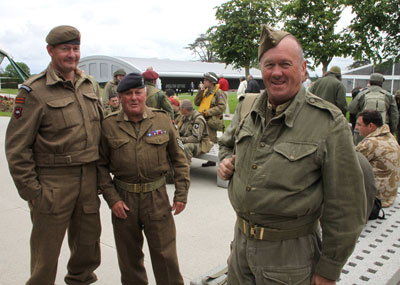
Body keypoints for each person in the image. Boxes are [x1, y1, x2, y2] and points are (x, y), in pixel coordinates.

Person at [218, 25, 366, 284]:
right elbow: (227, 145)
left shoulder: (328, 122)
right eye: (269, 65)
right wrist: (224, 163)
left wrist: (329, 270)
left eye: (285, 64)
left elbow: (346, 207)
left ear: (303, 67)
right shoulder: (248, 108)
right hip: (240, 247)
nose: (276, 73)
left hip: (290, 257)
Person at [5, 25, 102, 285]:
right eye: (65, 49)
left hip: (88, 180)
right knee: (44, 260)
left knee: (87, 251)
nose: (72, 55)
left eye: (76, 48)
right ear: (50, 51)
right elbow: (17, 147)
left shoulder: (89, 85)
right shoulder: (34, 91)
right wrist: (32, 192)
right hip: (53, 182)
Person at [96, 73, 190, 285]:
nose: (133, 98)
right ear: (119, 97)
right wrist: (112, 199)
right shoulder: (109, 125)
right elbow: (100, 166)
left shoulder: (162, 120)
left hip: (156, 199)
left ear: (145, 94)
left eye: (138, 92)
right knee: (129, 259)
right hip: (124, 201)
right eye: (127, 93)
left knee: (165, 257)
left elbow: (180, 159)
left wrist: (181, 194)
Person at [355, 110, 400, 208]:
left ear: (371, 126)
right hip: (389, 195)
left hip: (376, 198)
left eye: (359, 124)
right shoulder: (389, 136)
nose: (356, 128)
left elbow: (348, 163)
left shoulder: (370, 143)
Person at [349, 73, 399, 145]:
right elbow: (394, 116)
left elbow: (352, 109)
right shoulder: (388, 96)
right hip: (382, 131)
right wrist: (392, 131)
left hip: (364, 130)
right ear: (382, 83)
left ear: (369, 82)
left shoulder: (362, 94)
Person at [194, 71, 227, 167]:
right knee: (203, 138)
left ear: (211, 81)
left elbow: (222, 107)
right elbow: (196, 103)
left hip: (212, 121)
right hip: (203, 119)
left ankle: (213, 159)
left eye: (206, 80)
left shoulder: (219, 93)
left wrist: (207, 112)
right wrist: (200, 91)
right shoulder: (205, 91)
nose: (203, 82)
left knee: (211, 139)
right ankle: (209, 158)